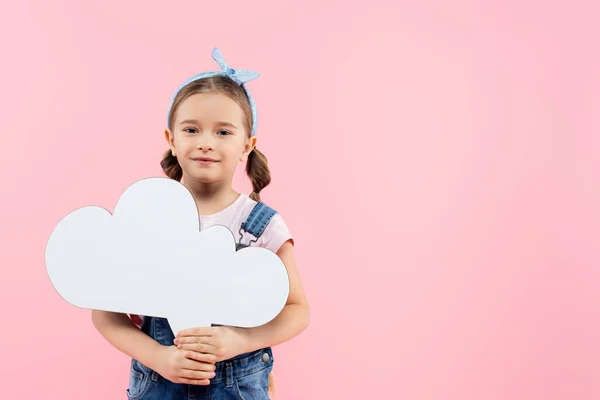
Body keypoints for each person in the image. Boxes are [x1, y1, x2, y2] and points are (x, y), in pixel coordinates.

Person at [92, 47, 310, 399]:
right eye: (192, 129)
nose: (206, 143)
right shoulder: (146, 219)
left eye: (223, 132)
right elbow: (105, 313)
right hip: (157, 385)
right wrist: (158, 357)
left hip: (237, 387)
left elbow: (297, 310)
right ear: (172, 140)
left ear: (247, 146)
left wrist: (241, 340)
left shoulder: (260, 225)